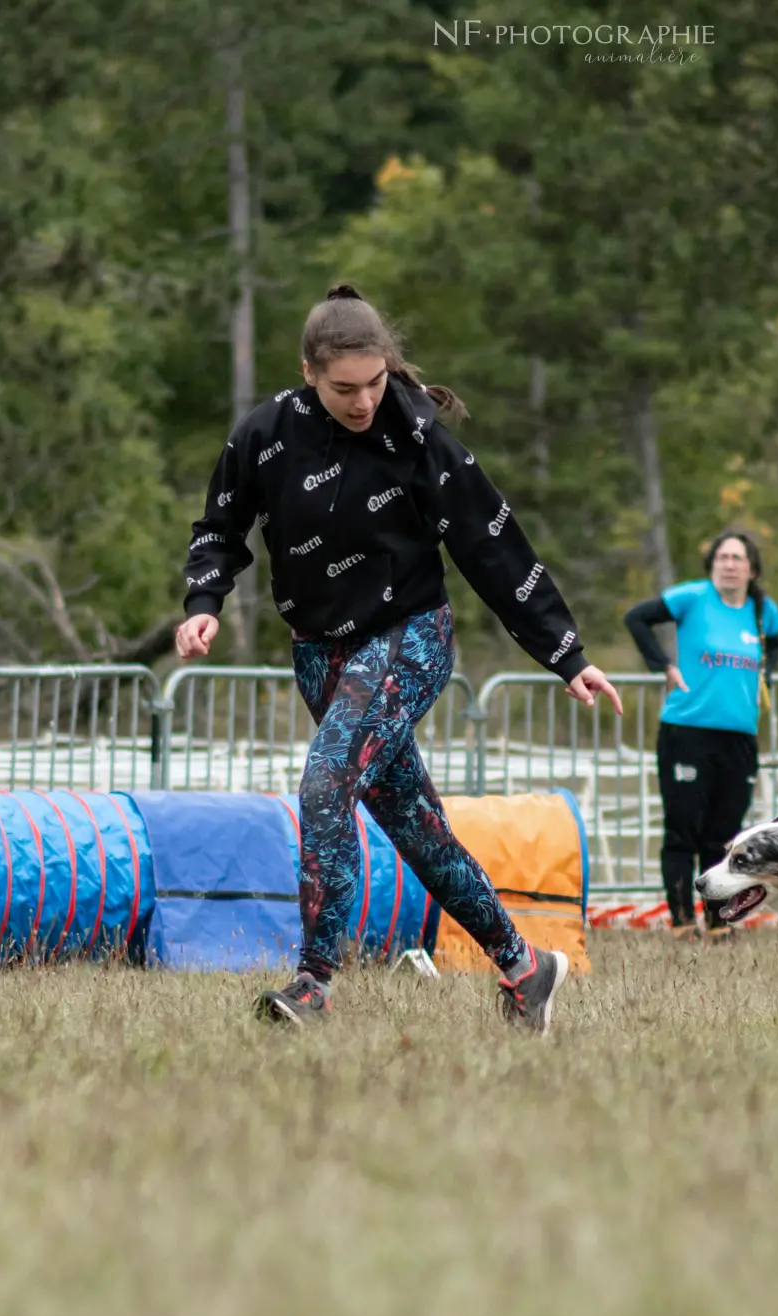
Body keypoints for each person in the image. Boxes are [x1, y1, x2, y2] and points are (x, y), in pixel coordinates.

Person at [174, 283, 623, 1031]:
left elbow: (493, 546)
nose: (363, 402)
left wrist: (566, 652)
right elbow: (220, 525)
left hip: (409, 636)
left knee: (324, 787)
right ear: (309, 372)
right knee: (417, 829)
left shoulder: (417, 440)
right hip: (321, 654)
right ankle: (524, 968)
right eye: (344, 388)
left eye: (377, 382)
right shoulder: (265, 435)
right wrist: (202, 605)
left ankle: (313, 983)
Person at [623, 529, 778, 939]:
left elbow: (775, 645)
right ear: (713, 564)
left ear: (751, 568)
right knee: (683, 830)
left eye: (737, 558)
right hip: (687, 731)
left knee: (725, 834)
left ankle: (717, 922)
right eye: (722, 557)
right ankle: (680, 921)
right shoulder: (692, 598)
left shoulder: (764, 612)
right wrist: (663, 665)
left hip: (739, 737)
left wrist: (767, 675)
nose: (729, 564)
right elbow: (636, 618)